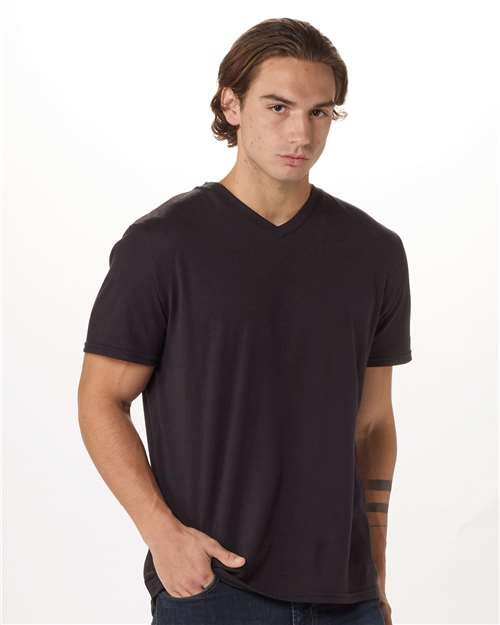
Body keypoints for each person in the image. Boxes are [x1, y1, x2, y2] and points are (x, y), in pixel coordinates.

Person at [78, 17, 412, 625]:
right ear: (231, 105)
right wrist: (164, 536)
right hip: (213, 585)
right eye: (278, 107)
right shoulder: (163, 245)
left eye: (319, 112)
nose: (301, 133)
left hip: (347, 596)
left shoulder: (374, 252)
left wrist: (378, 568)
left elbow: (372, 424)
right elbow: (101, 399)